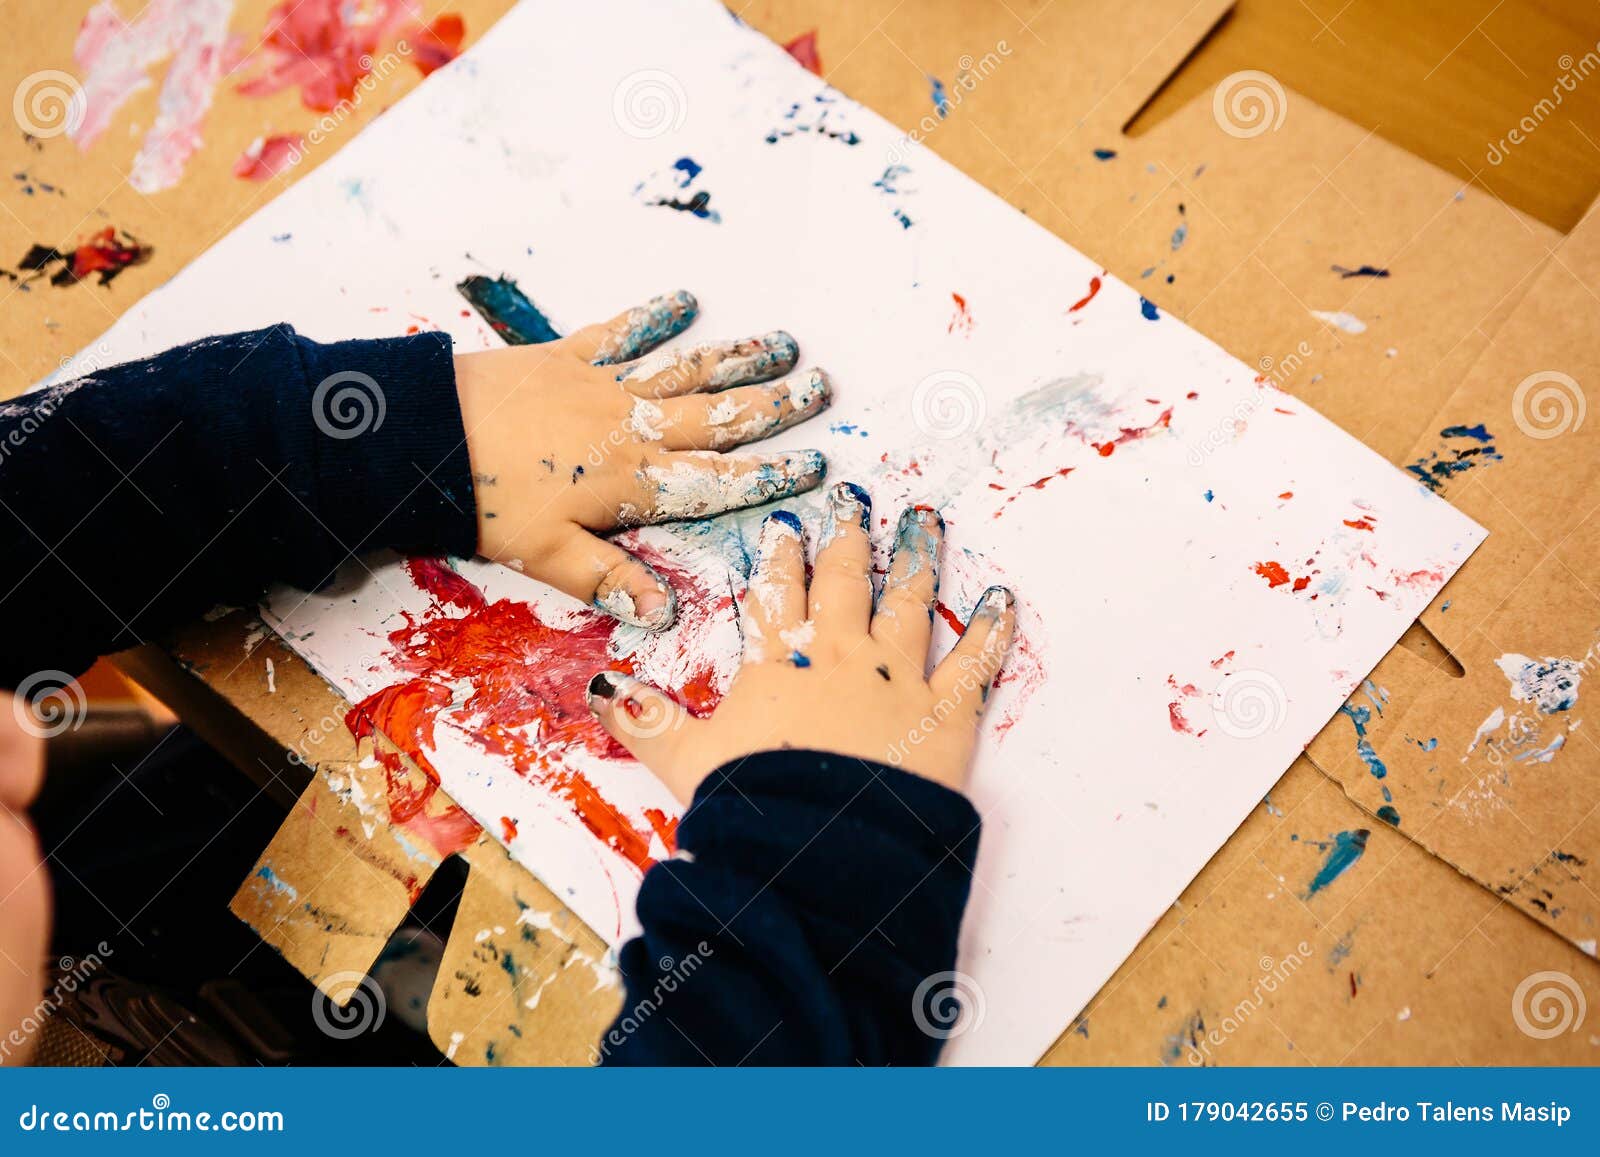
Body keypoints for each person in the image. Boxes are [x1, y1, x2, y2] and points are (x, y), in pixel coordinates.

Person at [0, 291, 1017, 1066]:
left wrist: (375, 436)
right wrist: (817, 862)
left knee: (187, 802)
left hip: (102, 896)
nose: (13, 738)